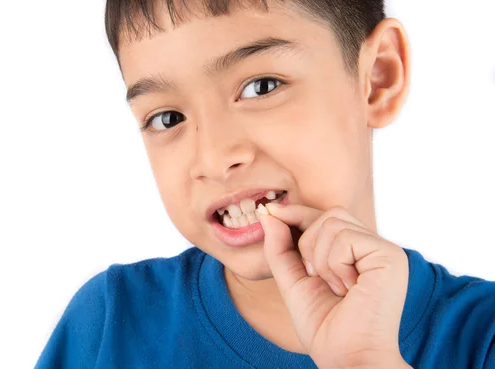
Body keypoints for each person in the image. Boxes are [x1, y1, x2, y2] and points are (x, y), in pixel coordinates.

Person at [35, 1, 495, 368]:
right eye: (167, 118)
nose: (214, 158)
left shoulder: (482, 338)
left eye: (261, 86)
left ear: (377, 79)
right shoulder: (110, 324)